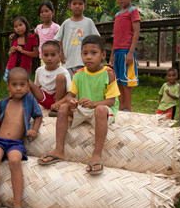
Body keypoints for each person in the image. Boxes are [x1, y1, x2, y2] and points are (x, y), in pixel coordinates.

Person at [38, 35, 120, 175]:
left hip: (101, 110)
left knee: (100, 109)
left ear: (103, 55)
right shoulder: (78, 74)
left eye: (93, 53)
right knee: (64, 108)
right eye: (85, 53)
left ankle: (96, 155)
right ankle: (59, 150)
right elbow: (71, 95)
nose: (88, 57)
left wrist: (94, 103)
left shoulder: (108, 73)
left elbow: (111, 101)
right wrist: (69, 102)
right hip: (84, 109)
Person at [0, 67, 43, 208]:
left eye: (22, 84)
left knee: (15, 160)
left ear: (28, 85)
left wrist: (33, 130)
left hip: (16, 143)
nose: (19, 88)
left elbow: (38, 116)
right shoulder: (3, 103)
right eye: (15, 85)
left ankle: (18, 205)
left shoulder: (30, 100)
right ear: (8, 86)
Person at [109, 0, 140, 112]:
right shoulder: (117, 15)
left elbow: (136, 33)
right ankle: (121, 107)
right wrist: (112, 55)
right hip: (117, 52)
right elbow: (116, 37)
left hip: (127, 52)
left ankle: (129, 108)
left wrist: (130, 53)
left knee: (127, 82)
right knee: (118, 81)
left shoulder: (133, 11)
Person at [54, 0, 100, 78]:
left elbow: (96, 39)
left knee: (84, 85)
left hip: (85, 62)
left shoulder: (88, 22)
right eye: (74, 3)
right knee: (70, 87)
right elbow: (58, 39)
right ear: (70, 6)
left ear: (85, 6)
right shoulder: (66, 23)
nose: (77, 6)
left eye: (80, 3)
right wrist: (60, 53)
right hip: (68, 62)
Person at [29, 41, 71, 115]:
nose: (49, 58)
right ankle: (31, 106)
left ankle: (56, 109)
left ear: (59, 56)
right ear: (42, 56)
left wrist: (58, 103)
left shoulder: (64, 71)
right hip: (44, 98)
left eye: (53, 55)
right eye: (46, 55)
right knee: (26, 81)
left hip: (57, 99)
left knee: (60, 77)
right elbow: (36, 86)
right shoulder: (39, 70)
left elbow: (69, 93)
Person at [4, 16, 39, 82]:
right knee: (11, 88)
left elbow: (36, 54)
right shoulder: (13, 38)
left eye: (20, 25)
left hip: (24, 69)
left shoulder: (32, 38)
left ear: (26, 24)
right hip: (11, 67)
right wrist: (11, 51)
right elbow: (10, 55)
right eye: (16, 26)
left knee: (24, 88)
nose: (18, 28)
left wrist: (23, 51)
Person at [34, 1, 60, 66]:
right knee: (45, 74)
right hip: (43, 57)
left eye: (46, 11)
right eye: (41, 12)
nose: (44, 14)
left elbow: (60, 42)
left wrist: (59, 55)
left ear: (53, 12)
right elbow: (33, 37)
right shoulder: (38, 28)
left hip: (55, 58)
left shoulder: (56, 27)